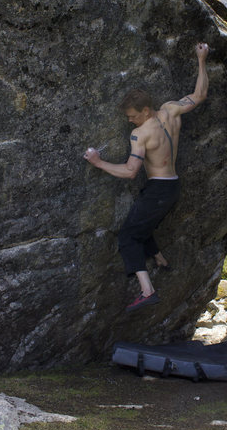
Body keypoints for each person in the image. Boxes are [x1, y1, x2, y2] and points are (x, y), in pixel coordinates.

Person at [84, 42, 209, 312]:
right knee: (143, 222)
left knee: (128, 237)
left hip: (158, 190)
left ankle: (147, 290)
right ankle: (161, 260)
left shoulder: (141, 134)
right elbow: (199, 95)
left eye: (132, 116)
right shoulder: (171, 109)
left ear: (144, 111)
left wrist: (99, 162)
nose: (129, 120)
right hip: (171, 187)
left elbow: (130, 172)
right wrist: (201, 59)